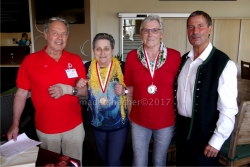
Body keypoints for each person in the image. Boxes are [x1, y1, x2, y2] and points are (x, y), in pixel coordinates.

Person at [7, 17, 88, 165]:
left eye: (64, 34)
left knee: (74, 164)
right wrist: (15, 124)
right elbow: (21, 94)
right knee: (50, 164)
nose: (60, 38)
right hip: (46, 129)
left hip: (74, 127)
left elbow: (84, 92)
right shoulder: (30, 61)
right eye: (55, 33)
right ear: (45, 34)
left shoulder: (75, 60)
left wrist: (71, 90)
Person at [175, 10, 238, 166]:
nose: (195, 31)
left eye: (200, 26)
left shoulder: (224, 64)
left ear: (210, 29)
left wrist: (217, 140)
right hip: (182, 133)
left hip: (206, 137)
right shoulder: (184, 60)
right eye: (191, 27)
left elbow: (229, 109)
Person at [124, 15, 182, 167]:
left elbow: (180, 89)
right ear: (141, 34)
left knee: (158, 161)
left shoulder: (175, 57)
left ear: (161, 33)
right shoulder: (131, 57)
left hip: (165, 121)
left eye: (155, 30)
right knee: (139, 162)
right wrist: (131, 115)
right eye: (146, 30)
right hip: (139, 121)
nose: (150, 35)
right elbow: (128, 90)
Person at [76, 33, 129, 166]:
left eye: (106, 48)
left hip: (119, 124)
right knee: (104, 159)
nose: (102, 53)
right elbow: (81, 91)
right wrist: (79, 84)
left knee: (113, 162)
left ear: (112, 50)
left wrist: (125, 90)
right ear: (93, 50)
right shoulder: (87, 67)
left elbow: (135, 89)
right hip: (97, 123)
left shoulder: (123, 67)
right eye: (98, 48)